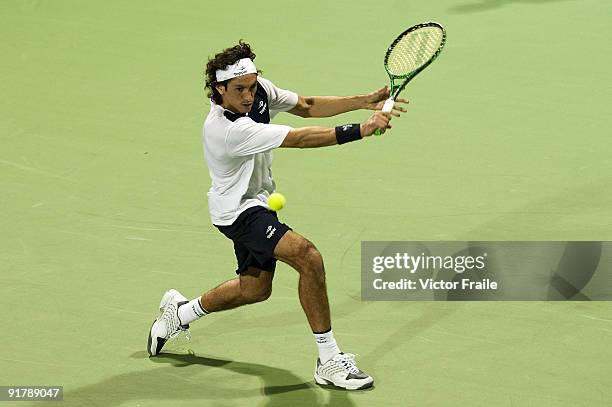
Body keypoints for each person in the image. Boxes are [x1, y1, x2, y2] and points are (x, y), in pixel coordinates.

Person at [147, 40, 406, 390]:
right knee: (307, 256)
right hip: (239, 212)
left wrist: (364, 101)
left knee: (255, 289)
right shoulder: (226, 130)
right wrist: (360, 128)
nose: (249, 95)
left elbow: (306, 106)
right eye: (239, 90)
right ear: (219, 89)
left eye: (252, 86)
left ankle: (180, 314)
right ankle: (329, 360)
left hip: (257, 201)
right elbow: (298, 138)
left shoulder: (258, 92)